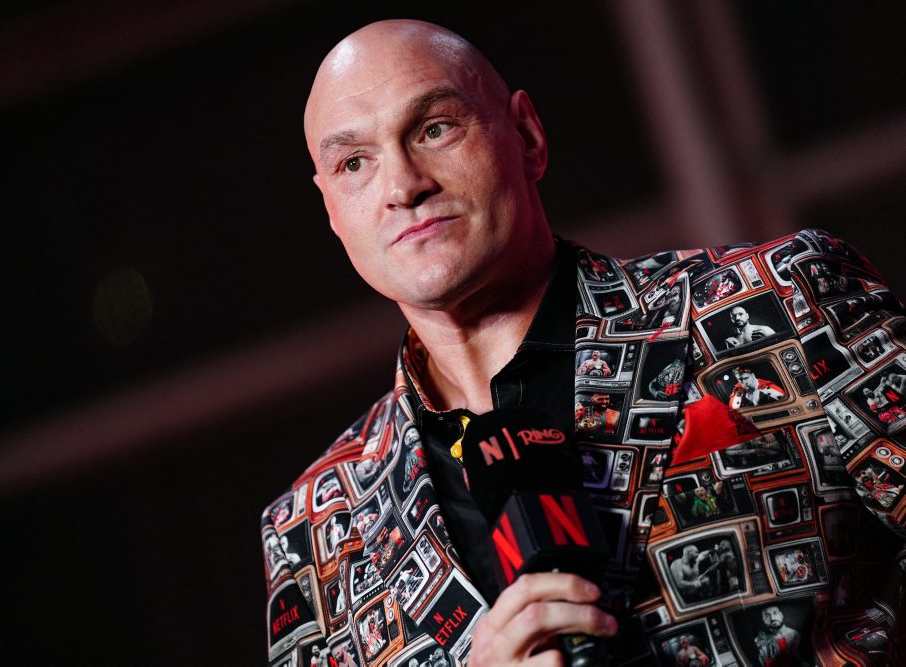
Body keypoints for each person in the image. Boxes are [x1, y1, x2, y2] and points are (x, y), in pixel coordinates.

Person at [261, 19, 906, 666]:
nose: (403, 187)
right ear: (332, 210)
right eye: (355, 163)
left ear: (527, 136)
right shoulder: (310, 532)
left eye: (435, 129)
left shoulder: (779, 298)